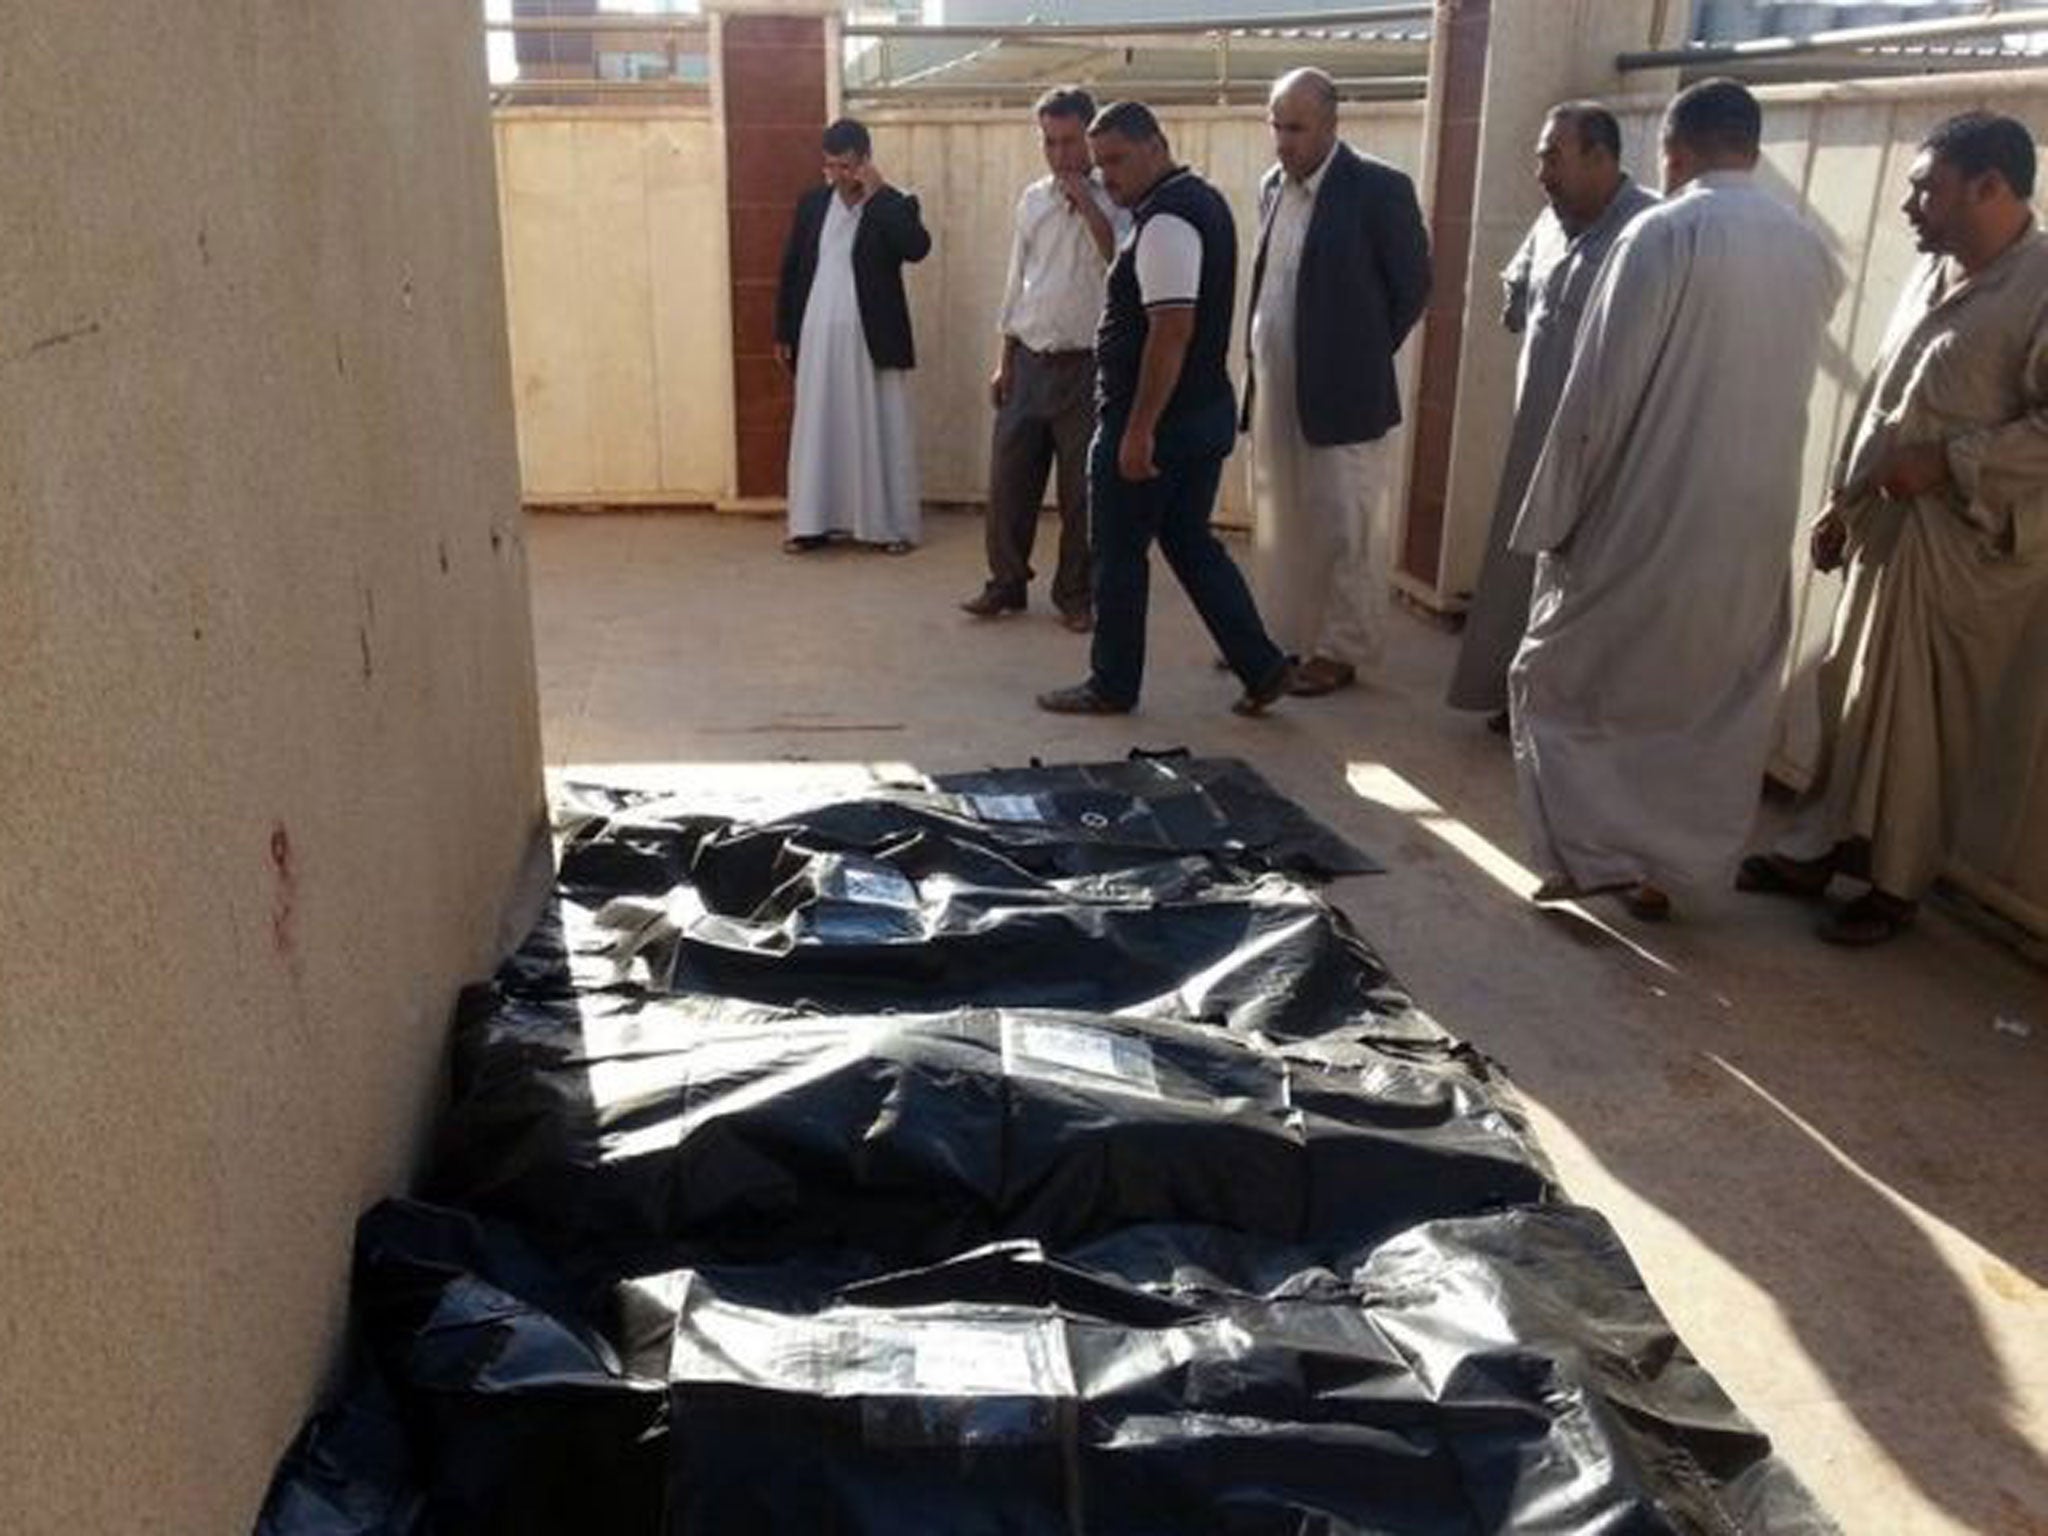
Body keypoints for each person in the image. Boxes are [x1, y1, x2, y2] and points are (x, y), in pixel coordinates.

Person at [1509, 79, 1841, 920]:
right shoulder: (1808, 248)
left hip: (1648, 512)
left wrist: (1556, 519)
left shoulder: (1663, 232)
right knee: (1709, 709)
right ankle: (1672, 869)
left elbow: (1598, 396)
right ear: (1753, 149)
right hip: (1754, 519)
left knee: (1558, 676)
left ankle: (1592, 855)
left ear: (1674, 150)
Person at [1741, 112, 2048, 945]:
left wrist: (1952, 462)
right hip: (1886, 527)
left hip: (1966, 551)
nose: (1910, 203)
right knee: (1850, 693)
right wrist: (1842, 503)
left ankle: (1895, 885)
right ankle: (1814, 851)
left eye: (1927, 186)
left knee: (1923, 723)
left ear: (1990, 187)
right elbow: (1886, 397)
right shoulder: (1932, 270)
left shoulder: (2041, 284)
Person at [1037, 102, 1293, 716]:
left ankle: (1112, 684)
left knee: (1119, 557)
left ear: (1157, 145)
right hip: (1200, 417)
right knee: (1190, 542)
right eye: (1102, 165)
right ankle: (1261, 666)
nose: (1110, 176)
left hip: (1158, 428)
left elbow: (1170, 330)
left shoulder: (1167, 222)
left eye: (1119, 160)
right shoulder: (1195, 203)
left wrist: (1138, 431)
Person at [1445, 102, 1657, 730]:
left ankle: (1567, 713)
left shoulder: (1648, 232)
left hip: (1605, 454)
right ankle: (1522, 699)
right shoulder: (1550, 221)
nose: (1540, 170)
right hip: (1536, 441)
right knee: (1524, 578)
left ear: (1601, 156)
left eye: (1552, 156)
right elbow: (1515, 294)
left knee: (1586, 586)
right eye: (1540, 155)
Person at [1244, 68, 1430, 698]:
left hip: (1345, 394)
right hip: (1277, 386)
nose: (1283, 141)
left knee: (1346, 522)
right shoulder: (1273, 186)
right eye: (1276, 125)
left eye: (1296, 127)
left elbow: (1412, 287)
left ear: (1331, 125)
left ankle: (1339, 650)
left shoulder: (1378, 188)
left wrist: (1359, 355)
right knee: (1282, 514)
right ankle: (1281, 637)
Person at [962, 87, 1126, 632]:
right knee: (1010, 479)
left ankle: (1076, 595)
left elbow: (1120, 266)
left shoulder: (1118, 197)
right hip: (1030, 357)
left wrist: (1087, 203)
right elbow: (1018, 281)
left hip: (1088, 366)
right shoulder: (1032, 200)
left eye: (1069, 141)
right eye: (1049, 143)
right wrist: (1004, 358)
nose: (1059, 154)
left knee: (1082, 492)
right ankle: (1006, 581)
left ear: (1091, 137)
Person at [775, 117, 931, 555]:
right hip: (818, 337)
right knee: (818, 427)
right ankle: (811, 523)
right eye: (830, 167)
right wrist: (784, 330)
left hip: (872, 339)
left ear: (864, 161)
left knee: (878, 426)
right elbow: (791, 270)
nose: (838, 176)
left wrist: (878, 196)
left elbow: (916, 247)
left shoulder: (894, 203)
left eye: (845, 166)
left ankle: (889, 527)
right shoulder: (811, 205)